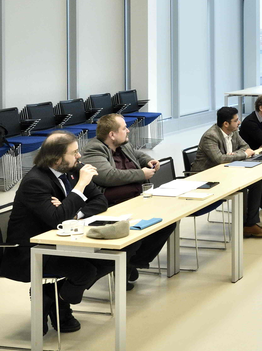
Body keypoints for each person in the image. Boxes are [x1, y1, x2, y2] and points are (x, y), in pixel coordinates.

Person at [0, 132, 111, 334]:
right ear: (57, 158)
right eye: (74, 152)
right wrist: (80, 187)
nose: (79, 156)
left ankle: (51, 296)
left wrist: (74, 213)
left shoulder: (73, 169)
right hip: (30, 250)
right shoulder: (35, 181)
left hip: (60, 241)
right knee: (84, 271)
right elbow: (57, 219)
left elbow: (100, 201)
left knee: (109, 259)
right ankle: (59, 304)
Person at [80, 114, 177, 278]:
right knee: (135, 235)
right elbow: (108, 176)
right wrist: (141, 174)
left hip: (137, 200)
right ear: (112, 134)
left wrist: (148, 160)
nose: (128, 131)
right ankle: (123, 265)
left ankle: (132, 263)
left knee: (167, 223)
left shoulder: (123, 144)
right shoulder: (94, 150)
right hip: (113, 205)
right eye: (124, 128)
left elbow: (137, 155)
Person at [191, 107, 262, 238]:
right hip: (206, 177)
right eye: (236, 120)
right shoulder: (210, 136)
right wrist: (242, 155)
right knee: (242, 186)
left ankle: (250, 224)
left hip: (225, 171)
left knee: (256, 182)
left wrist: (234, 154)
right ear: (226, 123)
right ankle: (244, 225)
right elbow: (219, 159)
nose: (239, 122)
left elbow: (245, 147)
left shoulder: (233, 132)